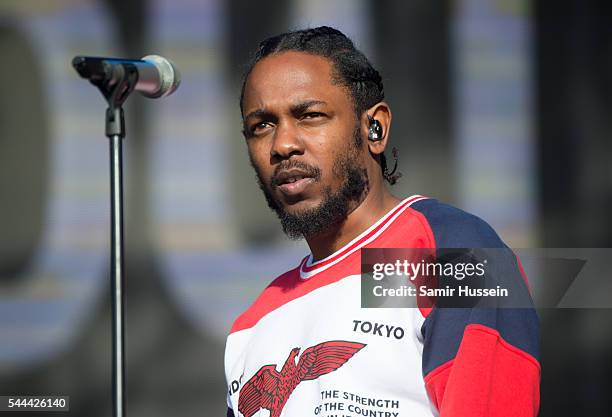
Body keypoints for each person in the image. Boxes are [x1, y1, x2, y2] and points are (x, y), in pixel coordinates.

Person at [224, 26, 540, 417]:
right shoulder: (253, 322)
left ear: (374, 128)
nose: (283, 144)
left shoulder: (452, 249)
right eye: (262, 126)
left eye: (310, 116)